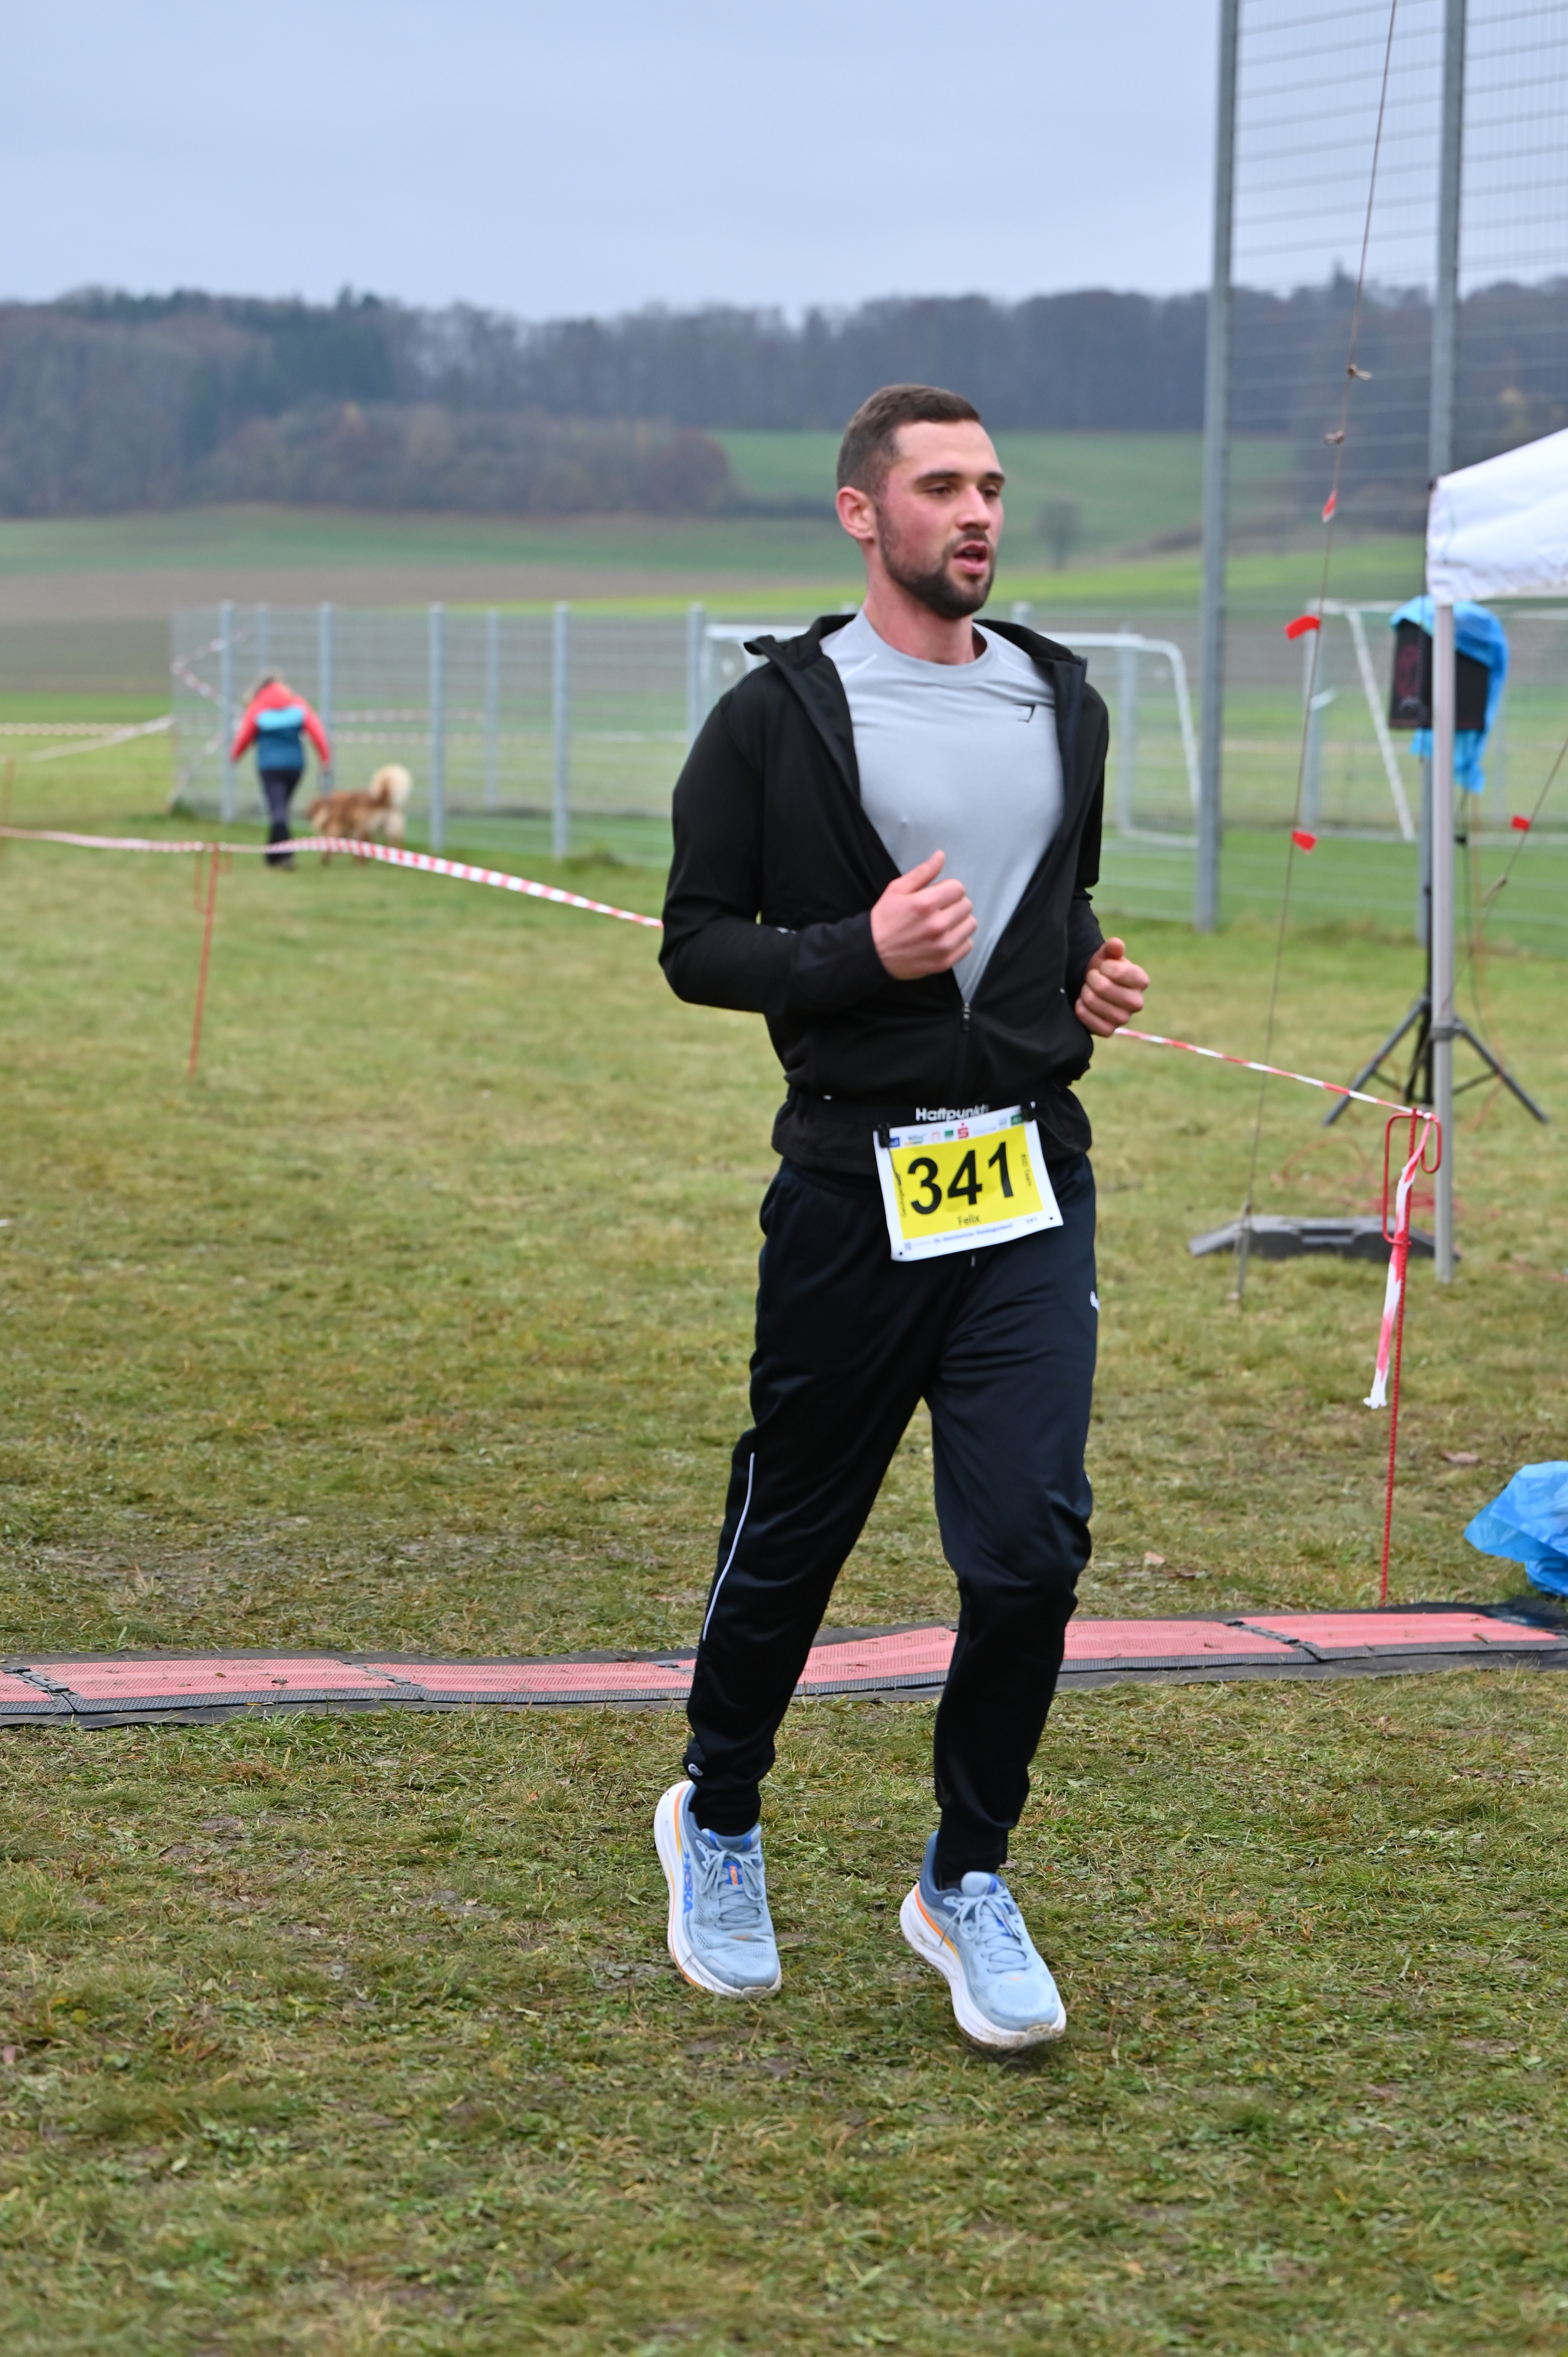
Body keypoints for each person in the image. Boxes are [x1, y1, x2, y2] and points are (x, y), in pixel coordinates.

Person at [653, 383, 1150, 2051]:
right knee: (796, 1525)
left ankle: (963, 1875)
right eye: (940, 485)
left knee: (1030, 1548)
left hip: (1022, 1178)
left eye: (990, 484)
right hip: (851, 1184)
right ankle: (718, 1813)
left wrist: (1082, 977)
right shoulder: (774, 717)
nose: (977, 512)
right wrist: (850, 955)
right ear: (862, 514)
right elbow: (696, 942)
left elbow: (1051, 905)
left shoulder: (1061, 703)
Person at [230, 676, 333, 868]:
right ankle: (272, 855)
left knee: (278, 811)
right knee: (281, 809)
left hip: (269, 767)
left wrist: (235, 755)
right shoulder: (298, 705)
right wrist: (325, 758)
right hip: (295, 766)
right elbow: (317, 731)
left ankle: (285, 856)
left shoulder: (258, 707)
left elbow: (245, 734)